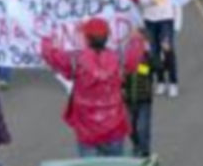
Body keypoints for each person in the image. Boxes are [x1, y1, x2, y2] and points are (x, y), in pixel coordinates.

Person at [41, 18, 145, 158]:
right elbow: (133, 58)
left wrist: (47, 38)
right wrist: (136, 39)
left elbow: (51, 55)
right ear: (108, 37)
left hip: (86, 128)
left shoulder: (76, 61)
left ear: (85, 38)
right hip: (114, 125)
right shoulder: (118, 60)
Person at [137, 0, 179, 97]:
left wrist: (177, 20)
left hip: (167, 18)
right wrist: (149, 1)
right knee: (153, 52)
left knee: (167, 48)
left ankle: (173, 81)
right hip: (150, 18)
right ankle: (160, 80)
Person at [122, 29, 156, 158]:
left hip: (144, 97)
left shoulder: (147, 56)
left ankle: (144, 150)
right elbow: (121, 76)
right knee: (130, 126)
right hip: (129, 97)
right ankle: (136, 145)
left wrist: (143, 62)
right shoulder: (125, 55)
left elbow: (156, 67)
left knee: (143, 126)